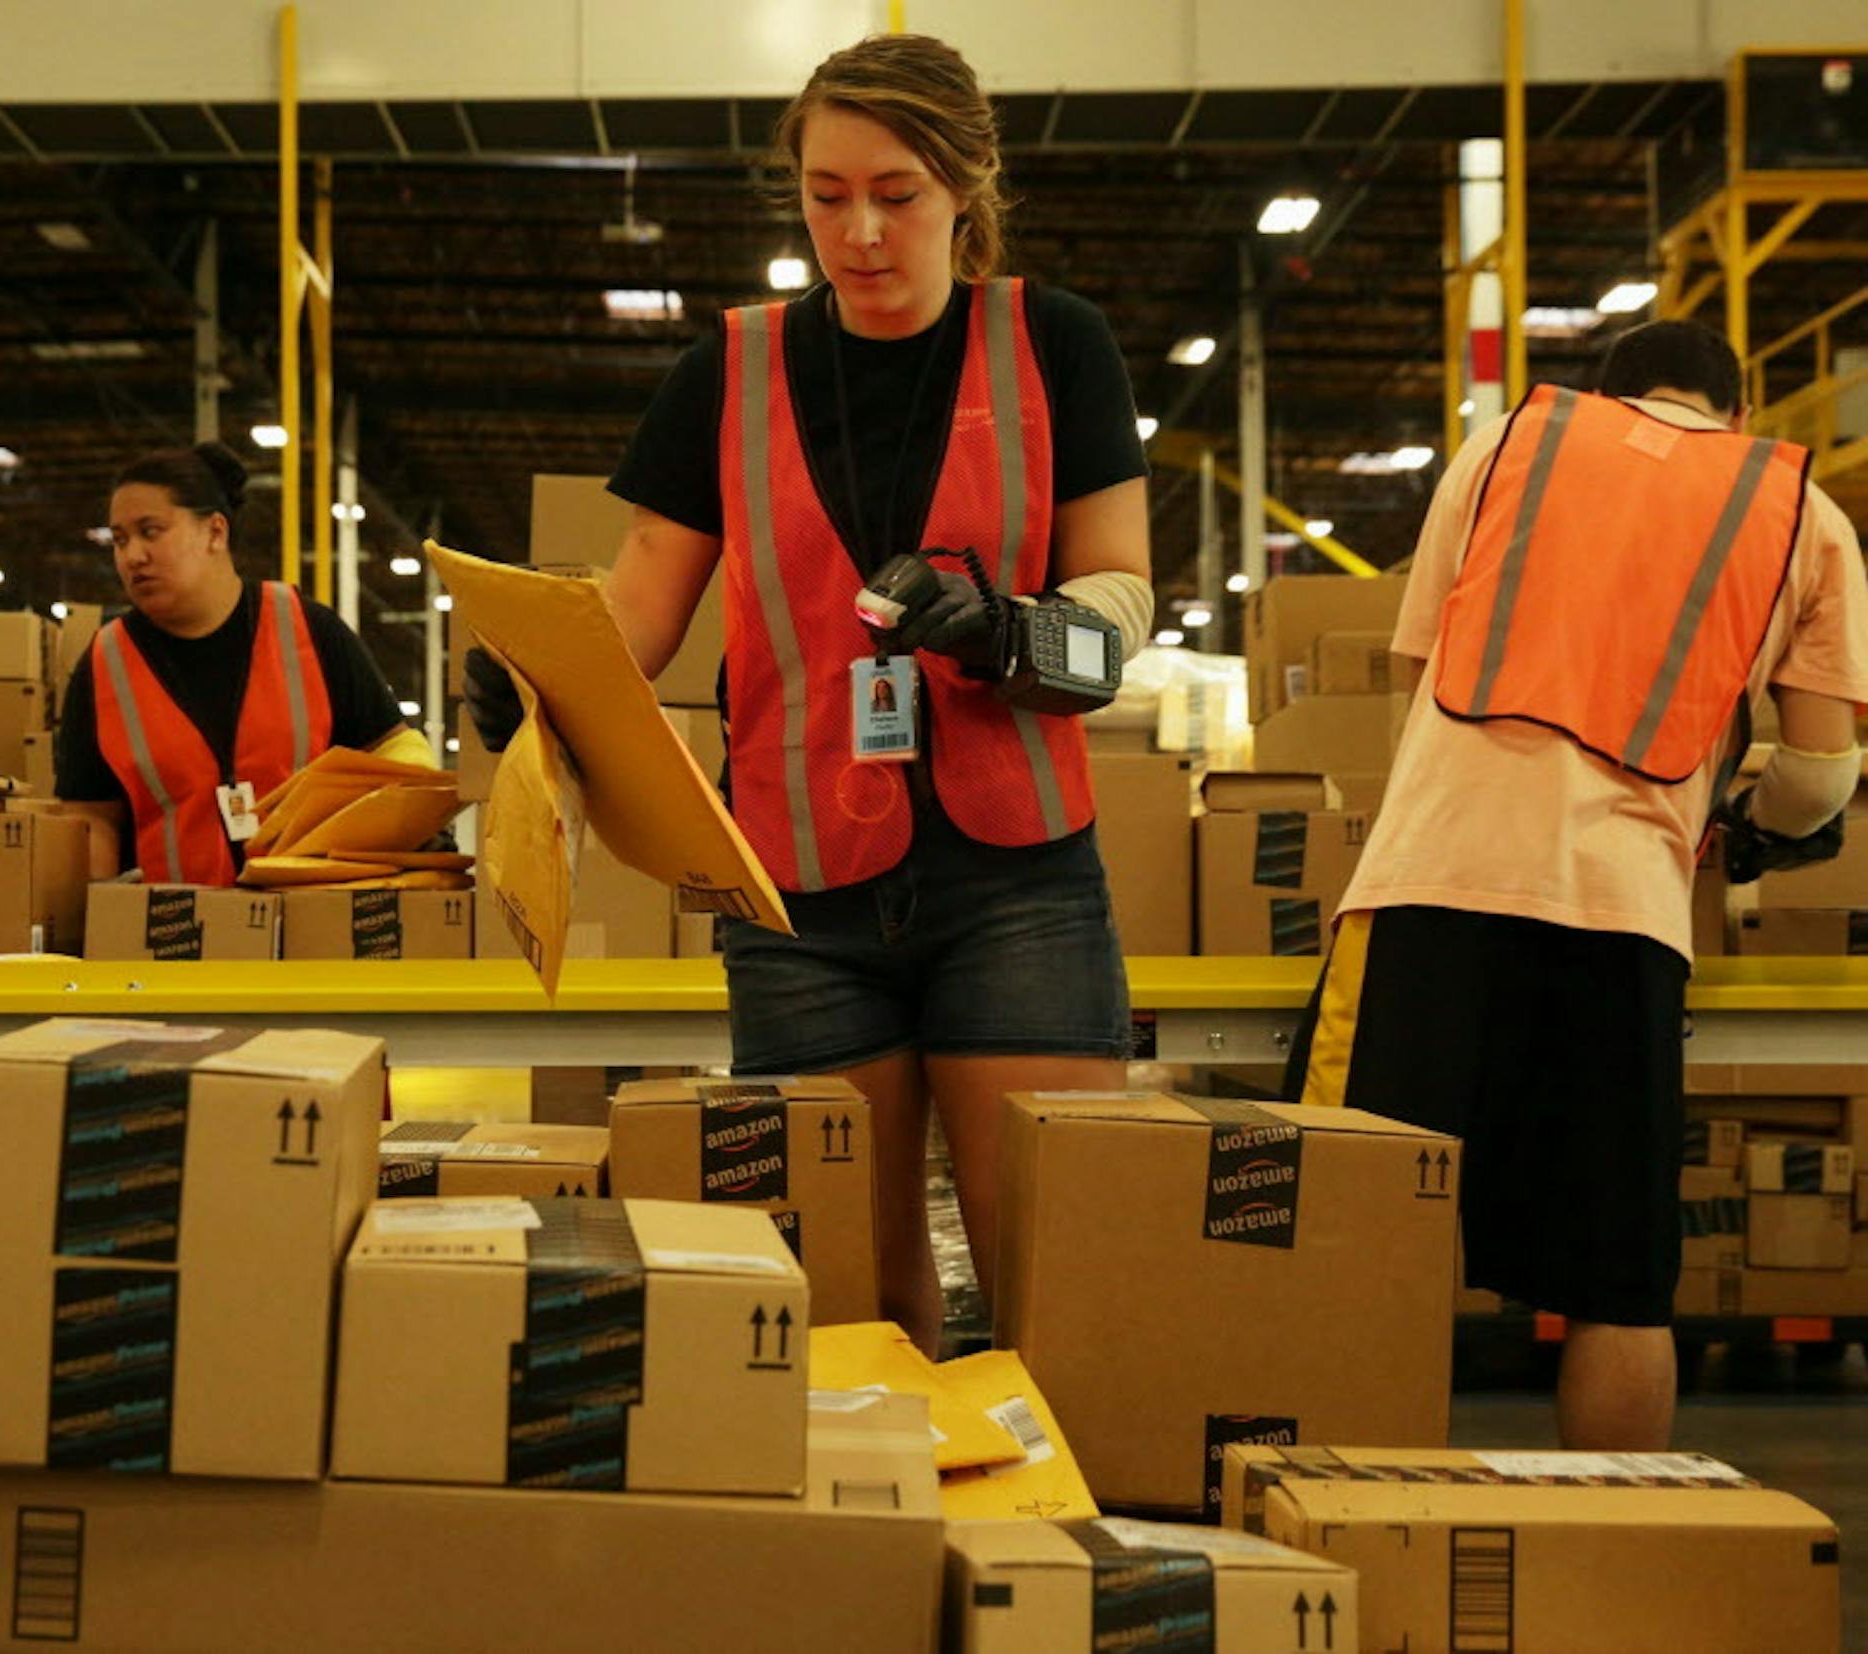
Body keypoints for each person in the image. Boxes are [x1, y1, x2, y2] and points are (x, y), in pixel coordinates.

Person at [467, 34, 1159, 1351]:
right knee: (844, 1296)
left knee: (1056, 1278)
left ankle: (1044, 1552)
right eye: (826, 194)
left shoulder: (1056, 346)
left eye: (895, 194)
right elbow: (637, 621)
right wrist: (534, 683)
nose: (859, 230)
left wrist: (1017, 632)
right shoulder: (721, 377)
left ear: (966, 186)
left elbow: (1120, 613)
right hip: (795, 894)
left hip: (1018, 880)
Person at [1285, 319, 1868, 1448]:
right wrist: (1740, 829)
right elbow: (1820, 771)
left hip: (1429, 894)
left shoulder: (1511, 445)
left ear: (1607, 396)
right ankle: (1606, 1549)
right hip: (1626, 922)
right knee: (1616, 1285)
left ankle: (1346, 1526)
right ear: (1735, 415)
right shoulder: (1806, 512)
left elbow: (1419, 681)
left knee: (1348, 1252)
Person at [56, 442, 410, 885]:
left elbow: (394, 753)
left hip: (309, 927)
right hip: (171, 938)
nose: (132, 557)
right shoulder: (105, 665)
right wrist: (88, 929)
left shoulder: (308, 630)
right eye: (120, 540)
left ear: (215, 533)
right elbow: (92, 819)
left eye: (151, 531)